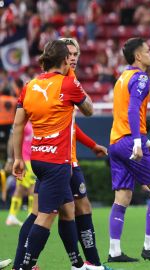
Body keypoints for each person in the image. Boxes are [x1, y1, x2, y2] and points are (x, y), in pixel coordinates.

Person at [10, 37, 111, 270]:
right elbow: (88, 110)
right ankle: (24, 266)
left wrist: (17, 158)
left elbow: (17, 125)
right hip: (58, 161)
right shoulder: (67, 84)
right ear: (65, 59)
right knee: (45, 216)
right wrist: (76, 88)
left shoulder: (29, 85)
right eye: (71, 56)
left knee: (67, 210)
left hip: (37, 159)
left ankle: (78, 264)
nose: (73, 59)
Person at [108, 37, 150, 262]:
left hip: (116, 143)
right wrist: (138, 143)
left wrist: (146, 143)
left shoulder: (121, 78)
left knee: (123, 196)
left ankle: (114, 251)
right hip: (129, 143)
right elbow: (133, 110)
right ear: (138, 56)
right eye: (148, 51)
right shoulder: (141, 77)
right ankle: (149, 247)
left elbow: (124, 115)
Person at [4, 122, 35, 226]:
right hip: (26, 161)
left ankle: (12, 216)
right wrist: (10, 159)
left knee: (20, 188)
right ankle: (31, 217)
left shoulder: (34, 121)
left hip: (32, 159)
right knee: (33, 188)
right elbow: (12, 139)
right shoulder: (22, 122)